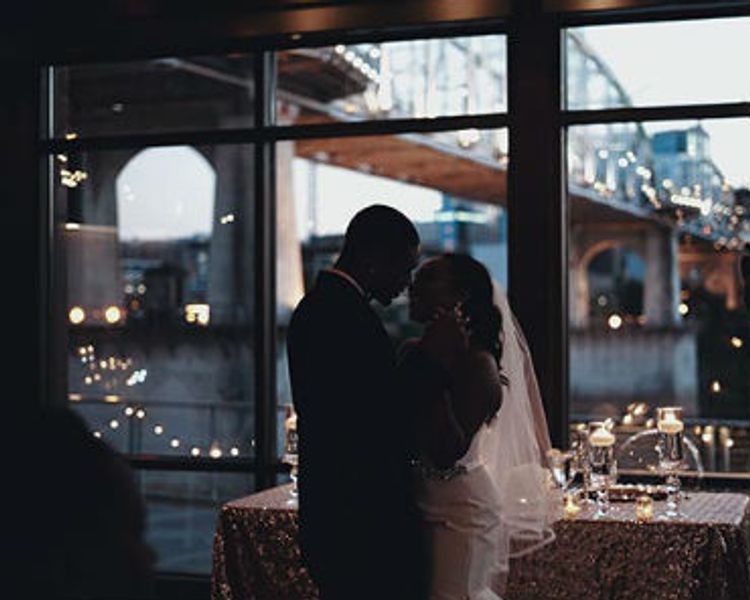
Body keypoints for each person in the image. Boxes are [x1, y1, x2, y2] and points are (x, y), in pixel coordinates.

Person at [286, 204, 430, 599]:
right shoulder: (342, 316)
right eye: (404, 267)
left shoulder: (321, 308)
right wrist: (420, 365)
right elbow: (372, 419)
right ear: (371, 258)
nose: (407, 281)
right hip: (360, 518)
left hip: (336, 512)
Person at [401, 253, 555, 600]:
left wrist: (434, 367)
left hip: (460, 513)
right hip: (422, 502)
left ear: (461, 297)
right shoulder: (414, 352)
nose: (413, 287)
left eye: (429, 279)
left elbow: (446, 452)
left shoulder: (478, 365)